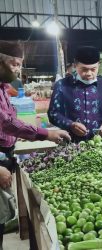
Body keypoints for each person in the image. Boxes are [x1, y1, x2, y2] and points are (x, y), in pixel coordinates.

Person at [0, 41, 71, 249]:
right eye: (13, 63)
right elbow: (6, 122)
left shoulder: (4, 88)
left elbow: (10, 122)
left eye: (19, 64)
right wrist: (45, 133)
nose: (17, 69)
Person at [48, 46, 102, 142]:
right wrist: (70, 125)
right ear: (75, 65)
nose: (89, 73)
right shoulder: (62, 86)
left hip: (101, 144)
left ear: (99, 65)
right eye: (84, 69)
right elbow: (53, 113)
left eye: (93, 69)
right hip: (71, 145)